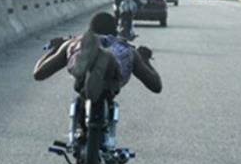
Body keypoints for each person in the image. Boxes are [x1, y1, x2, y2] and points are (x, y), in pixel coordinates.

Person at [34, 12, 162, 101]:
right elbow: (156, 86)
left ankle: (89, 64)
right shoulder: (129, 49)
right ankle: (106, 59)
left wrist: (56, 49)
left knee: (76, 59)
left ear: (90, 31)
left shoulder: (73, 42)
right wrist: (145, 59)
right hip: (113, 68)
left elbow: (39, 74)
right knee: (116, 64)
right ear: (115, 32)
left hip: (82, 53)